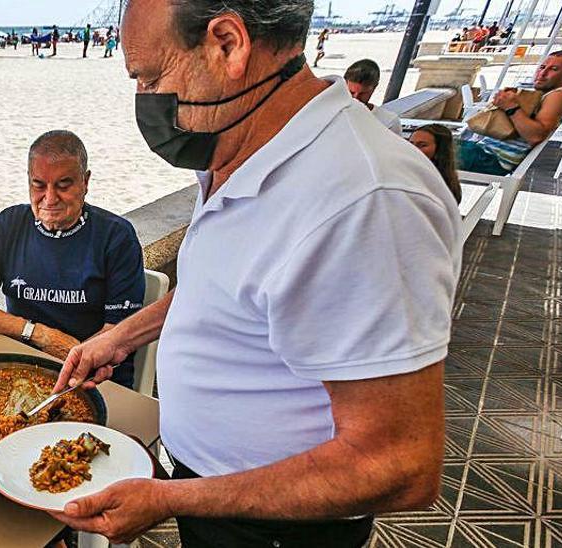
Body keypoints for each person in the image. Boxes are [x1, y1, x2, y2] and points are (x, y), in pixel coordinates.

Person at [52, 1, 460, 545]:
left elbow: (398, 463)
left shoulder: (366, 201)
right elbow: (225, 289)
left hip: (276, 522)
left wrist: (169, 498)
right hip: (212, 493)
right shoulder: (239, 148)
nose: (145, 100)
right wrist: (122, 335)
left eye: (150, 76)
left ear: (227, 43)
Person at [0, 130, 145, 388]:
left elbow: (118, 333)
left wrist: (74, 358)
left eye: (64, 185)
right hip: (21, 368)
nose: (50, 199)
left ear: (85, 182)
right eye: (39, 185)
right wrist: (38, 334)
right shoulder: (9, 224)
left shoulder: (116, 236)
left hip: (93, 377)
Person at [458, 51, 562, 175]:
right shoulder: (543, 95)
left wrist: (511, 107)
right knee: (438, 136)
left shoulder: (559, 95)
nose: (543, 73)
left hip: (491, 160)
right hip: (480, 151)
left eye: (554, 69)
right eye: (542, 67)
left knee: (438, 147)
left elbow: (535, 136)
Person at [410, 124, 463, 204]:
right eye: (411, 144)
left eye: (422, 145)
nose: (413, 149)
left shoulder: (441, 185)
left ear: (440, 150)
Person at [344, 59, 402, 133]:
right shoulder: (332, 113)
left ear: (374, 88)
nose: (356, 98)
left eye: (363, 93)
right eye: (351, 92)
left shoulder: (389, 121)